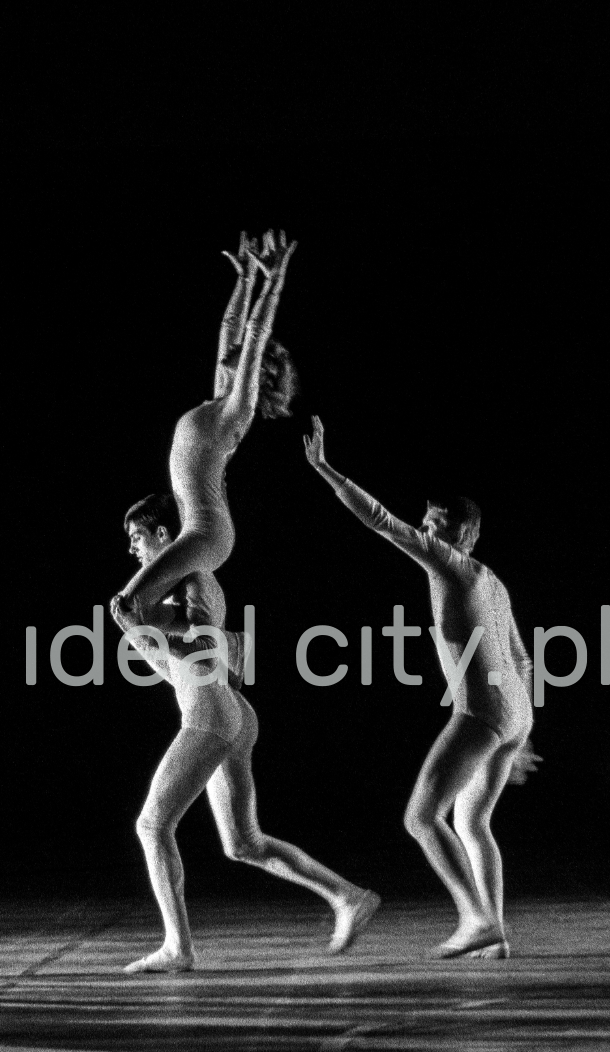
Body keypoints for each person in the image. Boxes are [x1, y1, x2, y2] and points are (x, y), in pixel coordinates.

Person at [109, 493, 380, 973]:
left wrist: (141, 633)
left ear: (164, 536)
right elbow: (217, 660)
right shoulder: (174, 588)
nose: (132, 549)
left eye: (137, 537)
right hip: (226, 713)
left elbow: (205, 650)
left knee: (151, 825)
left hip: (211, 717)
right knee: (243, 843)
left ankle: (177, 947)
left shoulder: (195, 578)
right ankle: (348, 896)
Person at [304, 417, 535, 959]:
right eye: (427, 522)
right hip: (515, 713)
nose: (428, 533)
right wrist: (521, 733)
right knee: (472, 821)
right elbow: (522, 658)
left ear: (466, 536)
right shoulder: (492, 581)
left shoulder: (451, 566)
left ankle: (477, 920)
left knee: (420, 817)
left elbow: (381, 521)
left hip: (483, 713)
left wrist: (325, 469)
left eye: (441, 526)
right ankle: (495, 934)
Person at [111, 231, 296, 626]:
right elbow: (231, 325)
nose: (231, 349)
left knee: (127, 606)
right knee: (142, 609)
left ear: (255, 373)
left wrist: (274, 280)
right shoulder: (217, 400)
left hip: (208, 534)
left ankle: (219, 649)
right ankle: (220, 647)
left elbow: (254, 334)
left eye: (244, 356)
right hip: (197, 534)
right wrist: (245, 278)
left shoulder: (236, 411)